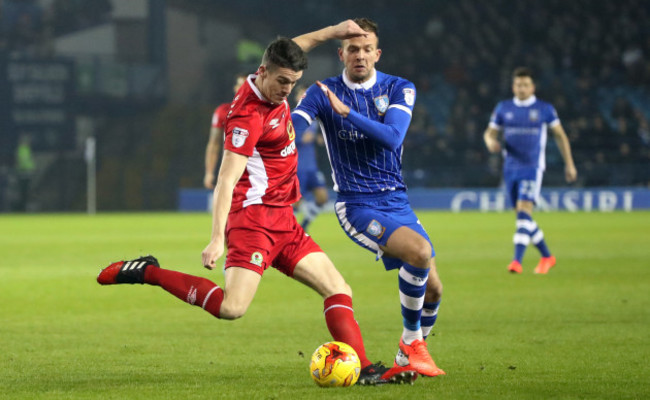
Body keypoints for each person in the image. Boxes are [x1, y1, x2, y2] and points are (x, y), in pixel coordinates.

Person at [97, 20, 415, 386]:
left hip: (285, 220)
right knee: (232, 308)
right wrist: (217, 237)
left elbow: (292, 47)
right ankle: (148, 272)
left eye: (292, 83)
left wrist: (336, 30)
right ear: (263, 73)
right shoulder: (247, 117)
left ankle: (362, 368)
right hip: (253, 223)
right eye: (281, 81)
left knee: (339, 289)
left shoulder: (271, 71)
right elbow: (226, 179)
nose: (286, 90)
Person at [292, 18, 445, 378]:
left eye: (366, 49)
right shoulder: (321, 92)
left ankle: (408, 358)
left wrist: (348, 114)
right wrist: (284, 118)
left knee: (434, 290)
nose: (359, 56)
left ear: (377, 54)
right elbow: (293, 129)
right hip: (357, 205)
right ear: (341, 53)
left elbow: (392, 137)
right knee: (420, 253)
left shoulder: (398, 88)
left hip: (397, 201)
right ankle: (412, 345)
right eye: (352, 50)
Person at [483, 67, 577, 274]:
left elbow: (560, 136)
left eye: (526, 85)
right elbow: (489, 133)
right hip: (510, 168)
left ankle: (517, 261)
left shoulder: (545, 109)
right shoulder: (503, 108)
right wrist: (490, 142)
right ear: (513, 86)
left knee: (524, 210)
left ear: (533, 87)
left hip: (533, 167)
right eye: (518, 85)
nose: (522, 88)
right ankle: (547, 256)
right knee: (522, 216)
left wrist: (569, 163)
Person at [293, 85, 329, 231]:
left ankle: (305, 225)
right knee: (295, 202)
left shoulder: (314, 119)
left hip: (311, 166)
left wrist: (319, 139)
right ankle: (290, 232)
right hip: (296, 166)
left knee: (322, 197)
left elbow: (314, 138)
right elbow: (282, 139)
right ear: (297, 98)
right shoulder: (292, 116)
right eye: (302, 95)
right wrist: (300, 138)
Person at [204, 74, 248, 189]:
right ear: (235, 88)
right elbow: (214, 143)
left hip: (256, 171)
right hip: (231, 171)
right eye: (240, 85)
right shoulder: (223, 111)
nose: (243, 89)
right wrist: (209, 172)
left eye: (247, 86)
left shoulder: (265, 112)